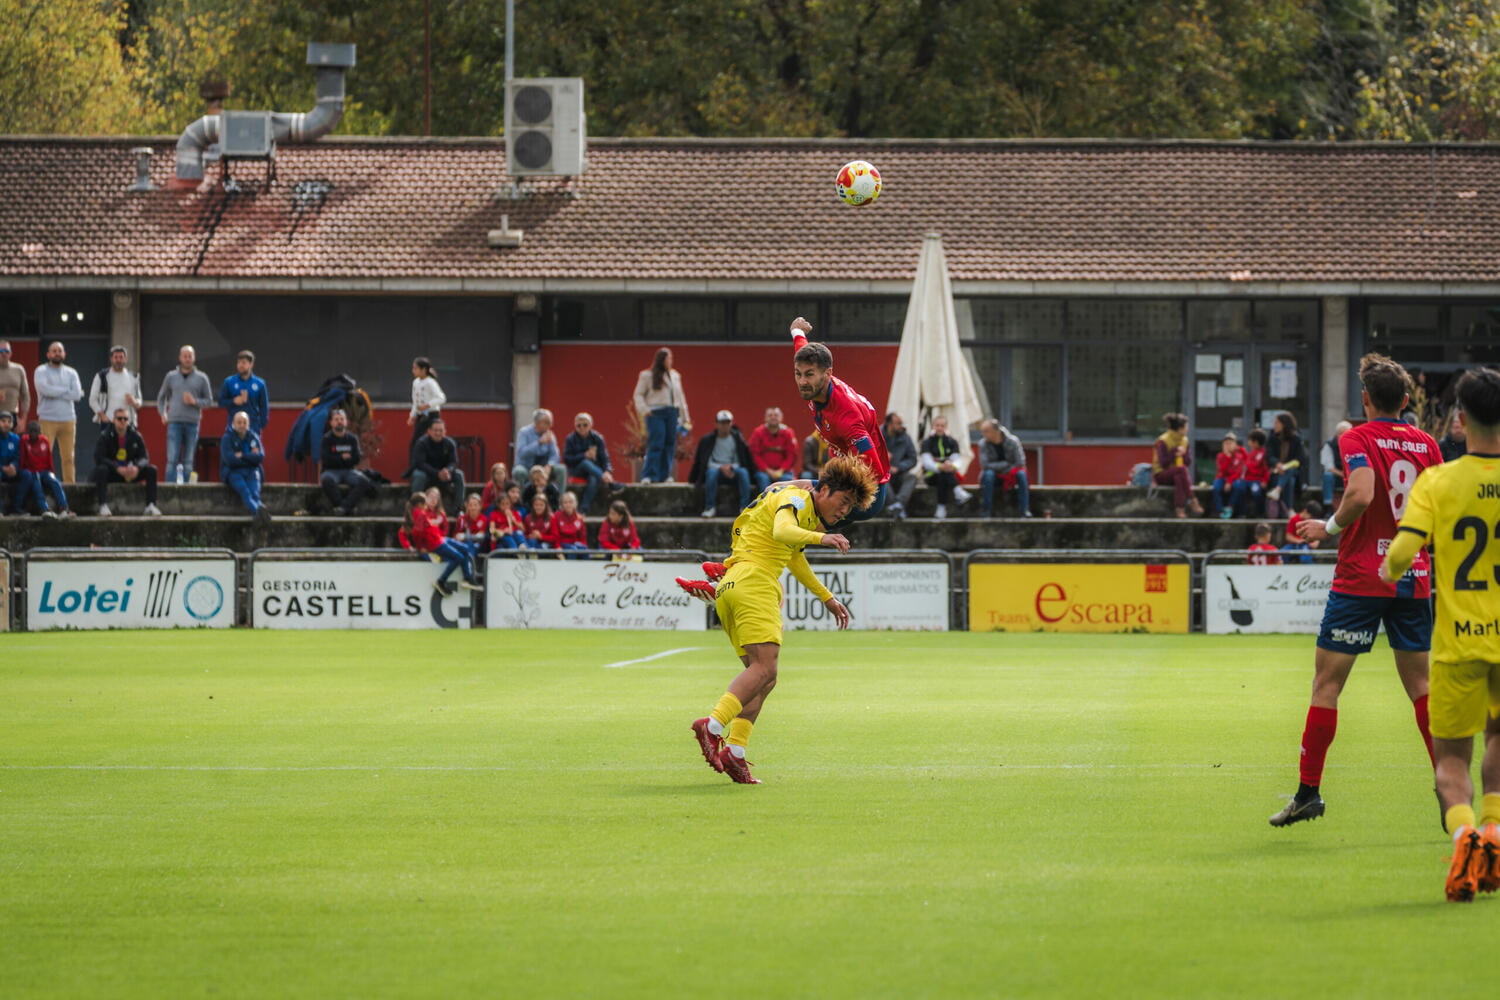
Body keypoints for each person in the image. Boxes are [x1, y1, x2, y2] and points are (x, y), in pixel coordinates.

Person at [1271, 353, 1442, 827]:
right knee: (1422, 688)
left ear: (1365, 399)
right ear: (1405, 401)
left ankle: (1308, 793)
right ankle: (1450, 788)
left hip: (1363, 577)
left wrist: (1326, 527)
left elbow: (1362, 493)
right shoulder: (1428, 443)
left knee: (1327, 686)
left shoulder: (1357, 437)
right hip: (1413, 575)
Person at [680, 456, 877, 784]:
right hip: (754, 582)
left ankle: (735, 751)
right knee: (765, 670)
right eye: (843, 502)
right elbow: (782, 530)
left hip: (733, 585)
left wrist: (827, 598)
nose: (844, 512)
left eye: (850, 507)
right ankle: (711, 726)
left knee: (763, 679)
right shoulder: (797, 498)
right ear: (824, 489)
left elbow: (792, 554)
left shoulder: (802, 509)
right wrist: (823, 539)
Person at [1379, 367, 1500, 900]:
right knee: (1499, 741)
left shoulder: (1438, 481)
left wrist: (1388, 569)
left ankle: (1465, 834)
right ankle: (1493, 834)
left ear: (1461, 418)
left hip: (1458, 645)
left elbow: (1401, 555)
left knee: (1451, 759)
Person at [790, 316, 891, 525]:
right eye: (798, 374)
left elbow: (873, 470)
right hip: (841, 475)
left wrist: (832, 491)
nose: (802, 381)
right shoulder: (815, 380)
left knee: (783, 495)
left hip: (866, 494)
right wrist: (797, 332)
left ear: (828, 374)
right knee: (785, 502)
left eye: (809, 375)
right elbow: (801, 348)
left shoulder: (846, 416)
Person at [633, 347, 692, 483]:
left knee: (669, 444)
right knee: (656, 443)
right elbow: (638, 395)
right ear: (661, 359)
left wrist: (686, 418)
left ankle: (665, 475)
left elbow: (681, 398)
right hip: (655, 412)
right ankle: (649, 475)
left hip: (672, 412)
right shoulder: (647, 375)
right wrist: (645, 410)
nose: (670, 361)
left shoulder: (675, 375)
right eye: (668, 358)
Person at [156, 345, 213, 484]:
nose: (187, 359)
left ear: (194, 358)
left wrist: (194, 401)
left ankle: (187, 491)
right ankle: (169, 491)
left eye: (190, 356)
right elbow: (161, 397)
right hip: (174, 422)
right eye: (185, 356)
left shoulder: (202, 378)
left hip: (192, 423)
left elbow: (209, 401)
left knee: (188, 461)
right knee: (172, 460)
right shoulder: (171, 376)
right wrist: (163, 413)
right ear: (180, 358)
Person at [400, 492, 476, 596]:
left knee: (465, 549)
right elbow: (417, 532)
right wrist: (420, 547)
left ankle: (467, 578)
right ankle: (441, 581)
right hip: (434, 543)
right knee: (459, 557)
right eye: (426, 502)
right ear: (420, 504)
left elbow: (407, 532)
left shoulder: (417, 514)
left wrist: (408, 545)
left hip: (438, 539)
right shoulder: (420, 515)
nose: (427, 504)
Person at [91, 407, 162, 517]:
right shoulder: (105, 435)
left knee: (152, 470)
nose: (123, 421)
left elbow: (145, 457)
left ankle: (150, 506)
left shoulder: (136, 435)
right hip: (114, 473)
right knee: (101, 470)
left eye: (126, 419)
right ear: (114, 420)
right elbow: (99, 458)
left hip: (131, 473)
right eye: (120, 419)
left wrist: (137, 468)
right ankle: (102, 506)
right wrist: (117, 468)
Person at [690, 410, 755, 517]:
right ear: (716, 424)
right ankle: (710, 507)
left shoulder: (738, 439)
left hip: (733, 472)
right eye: (722, 423)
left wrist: (731, 467)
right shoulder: (707, 440)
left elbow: (741, 460)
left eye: (727, 423)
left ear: (731, 424)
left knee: (743, 472)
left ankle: (745, 508)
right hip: (716, 471)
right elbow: (706, 461)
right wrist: (721, 468)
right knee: (711, 473)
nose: (725, 426)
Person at [34, 341, 82, 484]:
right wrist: (66, 390)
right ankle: (43, 484)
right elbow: (44, 390)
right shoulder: (41, 371)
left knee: (68, 457)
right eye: (54, 351)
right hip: (47, 419)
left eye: (59, 351)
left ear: (64, 354)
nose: (57, 353)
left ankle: (70, 486)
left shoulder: (71, 372)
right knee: (43, 455)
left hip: (68, 419)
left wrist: (54, 389)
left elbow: (77, 395)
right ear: (48, 354)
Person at [318, 408, 373, 515]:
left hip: (349, 471)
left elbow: (357, 458)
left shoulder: (352, 439)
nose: (339, 421)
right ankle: (345, 507)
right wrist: (342, 458)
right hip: (331, 471)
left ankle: (343, 507)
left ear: (346, 422)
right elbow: (326, 460)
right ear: (331, 423)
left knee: (364, 481)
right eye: (336, 419)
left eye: (342, 419)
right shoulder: (326, 439)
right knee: (326, 480)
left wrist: (337, 458)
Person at [221, 410, 271, 524]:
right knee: (245, 492)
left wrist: (243, 455)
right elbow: (230, 460)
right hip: (233, 472)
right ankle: (258, 511)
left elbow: (260, 457)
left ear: (248, 424)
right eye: (239, 422)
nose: (242, 425)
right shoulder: (227, 438)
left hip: (252, 471)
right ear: (233, 424)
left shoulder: (253, 436)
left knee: (255, 493)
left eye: (244, 422)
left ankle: (259, 512)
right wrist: (250, 458)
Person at [920, 415, 972, 520]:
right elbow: (926, 462)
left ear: (946, 427)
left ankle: (941, 508)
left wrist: (952, 465)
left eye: (942, 425)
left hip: (947, 474)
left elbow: (957, 460)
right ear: (933, 426)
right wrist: (940, 466)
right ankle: (957, 491)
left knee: (943, 475)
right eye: (937, 425)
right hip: (931, 476)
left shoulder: (952, 442)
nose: (939, 428)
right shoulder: (927, 442)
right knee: (943, 474)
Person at [1151, 412, 1202, 517]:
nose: (1188, 429)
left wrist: (1184, 454)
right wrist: (1174, 452)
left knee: (1179, 477)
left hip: (1177, 474)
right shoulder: (1163, 440)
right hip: (1161, 474)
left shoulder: (1185, 440)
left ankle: (1180, 509)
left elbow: (1188, 462)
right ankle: (1192, 500)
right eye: (1186, 426)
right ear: (1180, 429)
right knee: (1181, 469)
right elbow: (1163, 463)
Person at [562, 411, 614, 512]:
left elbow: (605, 457)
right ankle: (609, 482)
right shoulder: (570, 439)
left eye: (585, 425)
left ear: (590, 425)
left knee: (593, 479)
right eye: (579, 425)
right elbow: (567, 459)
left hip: (593, 471)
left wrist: (608, 471)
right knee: (585, 463)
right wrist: (583, 455)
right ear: (575, 426)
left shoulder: (598, 438)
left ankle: (582, 509)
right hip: (576, 469)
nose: (582, 428)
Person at [410, 418, 465, 512]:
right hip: (426, 473)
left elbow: (454, 462)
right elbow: (420, 463)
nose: (438, 433)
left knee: (459, 475)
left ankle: (459, 508)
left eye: (441, 430)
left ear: (445, 431)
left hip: (444, 474)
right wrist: (437, 473)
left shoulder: (450, 443)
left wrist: (448, 470)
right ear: (429, 431)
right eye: (435, 430)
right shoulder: (421, 443)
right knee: (419, 475)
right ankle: (415, 508)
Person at [978, 419, 1031, 518]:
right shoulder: (983, 444)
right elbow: (985, 465)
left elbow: (1020, 462)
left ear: (995, 431)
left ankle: (1024, 510)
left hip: (1011, 474)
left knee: (1022, 475)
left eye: (986, 431)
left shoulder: (1013, 441)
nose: (983, 434)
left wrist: (1004, 469)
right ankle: (986, 511)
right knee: (988, 475)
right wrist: (1005, 464)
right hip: (994, 475)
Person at [18, 419, 71, 517]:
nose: (33, 434)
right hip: (33, 472)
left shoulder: (45, 441)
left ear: (40, 432)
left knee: (55, 482)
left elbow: (49, 458)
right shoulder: (24, 441)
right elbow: (22, 458)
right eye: (31, 431)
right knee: (37, 486)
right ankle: (44, 509)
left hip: (45, 471)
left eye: (35, 431)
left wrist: (51, 471)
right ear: (27, 432)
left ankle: (64, 508)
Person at [88, 345, 142, 429]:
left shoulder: (134, 377)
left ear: (126, 359)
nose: (118, 360)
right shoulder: (102, 376)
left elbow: (139, 401)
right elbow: (92, 400)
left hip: (128, 422)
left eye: (121, 357)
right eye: (116, 357)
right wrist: (102, 416)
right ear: (111, 359)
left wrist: (135, 402)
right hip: (109, 421)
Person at [747, 407, 799, 492]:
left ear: (781, 418)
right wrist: (767, 470)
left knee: (789, 483)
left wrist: (782, 469)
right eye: (770, 415)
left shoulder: (788, 433)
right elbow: (754, 454)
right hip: (763, 471)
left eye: (776, 415)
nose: (773, 417)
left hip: (784, 472)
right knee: (763, 480)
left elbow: (791, 455)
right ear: (765, 418)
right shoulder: (758, 432)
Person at [1266, 410, 1307, 515]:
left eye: (1277, 423)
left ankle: (1277, 490)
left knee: (1291, 473)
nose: (1274, 425)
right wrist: (1277, 464)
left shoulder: (1296, 439)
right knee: (1290, 480)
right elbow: (1269, 456)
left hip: (1292, 471)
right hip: (1275, 472)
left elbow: (1300, 458)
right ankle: (1289, 509)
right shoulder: (1271, 437)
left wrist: (1285, 467)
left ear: (1284, 424)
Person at [218, 350, 269, 434]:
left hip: (253, 428)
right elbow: (221, 402)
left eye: (244, 363)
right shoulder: (229, 382)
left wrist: (260, 425)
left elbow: (264, 407)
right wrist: (233, 401)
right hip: (233, 428)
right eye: (238, 363)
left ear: (251, 364)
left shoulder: (260, 384)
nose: (240, 365)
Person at [515, 408, 566, 490]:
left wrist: (550, 465)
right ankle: (520, 498)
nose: (550, 426)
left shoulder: (550, 435)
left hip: (544, 469)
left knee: (561, 469)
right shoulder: (524, 433)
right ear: (537, 422)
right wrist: (539, 443)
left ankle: (559, 498)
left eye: (550, 423)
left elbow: (555, 455)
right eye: (547, 423)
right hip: (527, 468)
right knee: (518, 471)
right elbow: (521, 453)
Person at [407, 357, 445, 462]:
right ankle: (414, 465)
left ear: (423, 369)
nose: (413, 371)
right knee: (416, 441)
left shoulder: (430, 382)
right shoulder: (416, 382)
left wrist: (427, 405)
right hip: (421, 415)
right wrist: (412, 415)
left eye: (416, 368)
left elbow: (441, 398)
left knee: (434, 439)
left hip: (432, 414)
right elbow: (415, 401)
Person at [882, 412, 918, 519]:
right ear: (889, 424)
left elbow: (913, 459)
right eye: (898, 423)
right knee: (880, 479)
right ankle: (895, 505)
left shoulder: (905, 437)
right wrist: (882, 457)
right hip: (882, 472)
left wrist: (899, 467)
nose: (901, 426)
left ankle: (898, 504)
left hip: (899, 473)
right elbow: (868, 456)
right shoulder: (876, 435)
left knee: (912, 477)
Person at [0, 412, 35, 515]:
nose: (6, 424)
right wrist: (3, 468)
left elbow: (18, 456)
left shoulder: (15, 438)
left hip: (11, 471)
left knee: (27, 475)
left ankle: (16, 507)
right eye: (3, 421)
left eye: (9, 422)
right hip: (1, 470)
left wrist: (14, 466)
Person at [1211, 432, 1247, 519]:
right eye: (1226, 444)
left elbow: (1238, 472)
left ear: (1235, 444)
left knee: (1238, 486)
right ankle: (1220, 511)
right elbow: (1222, 470)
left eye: (1230, 443)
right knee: (1216, 487)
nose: (1228, 446)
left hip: (1233, 479)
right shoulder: (1220, 456)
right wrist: (1227, 457)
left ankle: (1230, 507)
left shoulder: (1239, 456)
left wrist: (1229, 482)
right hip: (1221, 478)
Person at [1320, 419, 1353, 505]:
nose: (1343, 435)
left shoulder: (1355, 444)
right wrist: (1343, 474)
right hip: (1336, 476)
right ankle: (1328, 504)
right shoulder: (1329, 445)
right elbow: (1329, 467)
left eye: (1346, 433)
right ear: (1336, 434)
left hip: (1351, 474)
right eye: (1340, 433)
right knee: (1327, 475)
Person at [548, 490, 589, 556]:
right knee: (572, 550)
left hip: (575, 544)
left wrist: (583, 546)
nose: (568, 505)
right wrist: (558, 547)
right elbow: (555, 535)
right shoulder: (556, 516)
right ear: (562, 504)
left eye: (570, 502)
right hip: (562, 544)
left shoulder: (579, 518)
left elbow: (582, 537)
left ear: (575, 503)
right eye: (565, 502)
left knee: (585, 550)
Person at [1242, 428, 1271, 517]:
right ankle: (1242, 513)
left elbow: (1266, 469)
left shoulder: (1263, 453)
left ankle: (1259, 514)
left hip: (1257, 480)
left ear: (1256, 442)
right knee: (1239, 490)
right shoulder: (1252, 452)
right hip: (1247, 480)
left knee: (1256, 493)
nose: (1248, 442)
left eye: (1250, 440)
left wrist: (1265, 480)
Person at [0, 340, 31, 424]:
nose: (4, 353)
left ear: (10, 353)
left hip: (12, 416)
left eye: (7, 351)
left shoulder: (18, 369)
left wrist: (23, 420)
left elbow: (25, 395)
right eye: (1, 351)